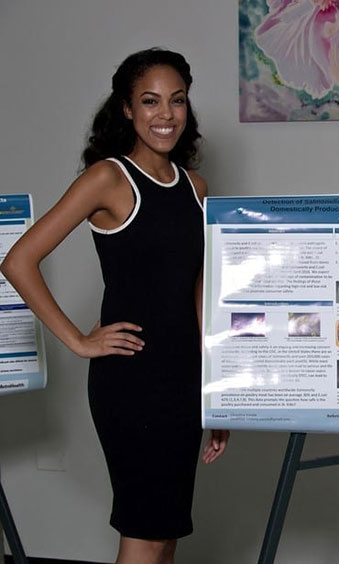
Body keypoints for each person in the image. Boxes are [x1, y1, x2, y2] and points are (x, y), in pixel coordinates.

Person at [0, 48, 229, 564]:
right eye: (150, 101)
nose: (165, 114)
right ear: (126, 108)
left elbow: (196, 289)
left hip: (185, 378)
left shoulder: (196, 188)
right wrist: (79, 340)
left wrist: (218, 389)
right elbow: (18, 261)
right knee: (145, 534)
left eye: (177, 101)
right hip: (132, 381)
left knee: (166, 533)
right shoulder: (108, 178)